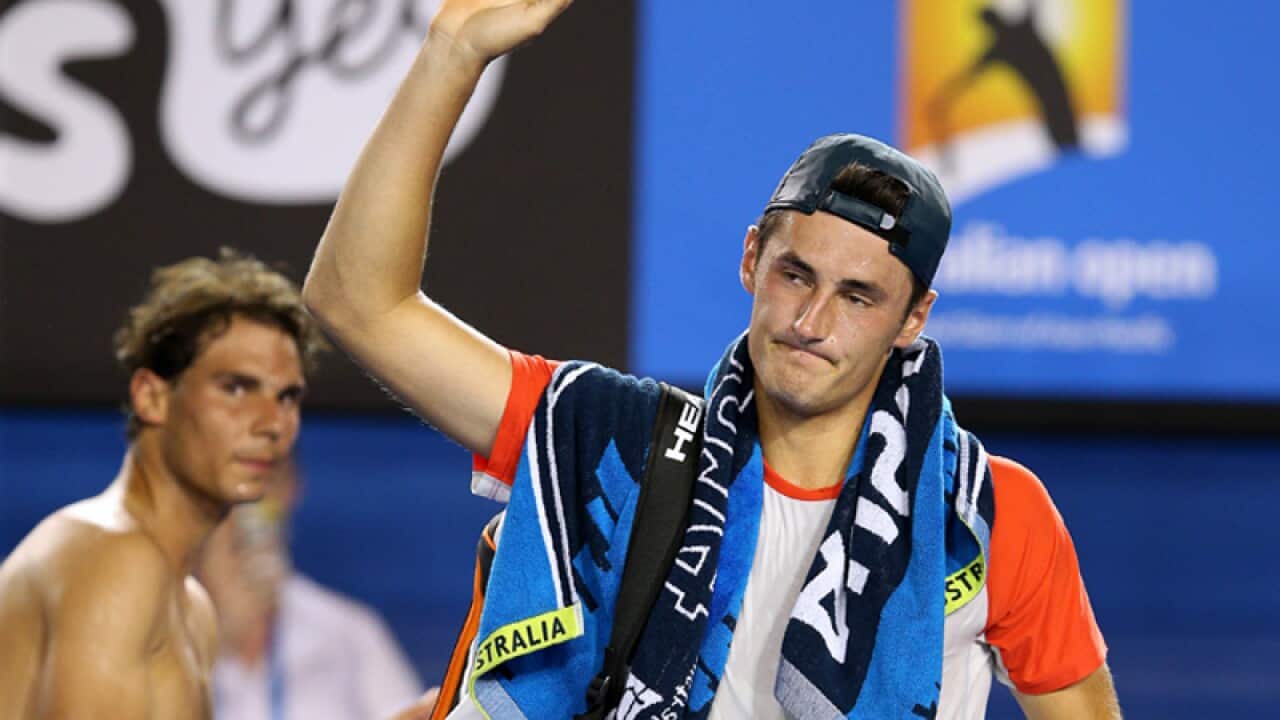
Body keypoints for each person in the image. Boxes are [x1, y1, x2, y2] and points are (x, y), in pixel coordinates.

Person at [302, 2, 1123, 718]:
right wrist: (451, 52)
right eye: (795, 274)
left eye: (859, 297)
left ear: (914, 319)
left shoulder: (986, 516)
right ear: (750, 260)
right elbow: (357, 304)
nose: (811, 319)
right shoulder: (618, 443)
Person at [0, 249, 323, 719]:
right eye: (236, 388)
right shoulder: (112, 556)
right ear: (152, 396)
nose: (272, 423)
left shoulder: (191, 608)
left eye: (287, 396)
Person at [198, 455, 436, 720]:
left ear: (291, 488)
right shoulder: (166, 635)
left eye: (263, 480)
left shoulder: (350, 633)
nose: (246, 506)